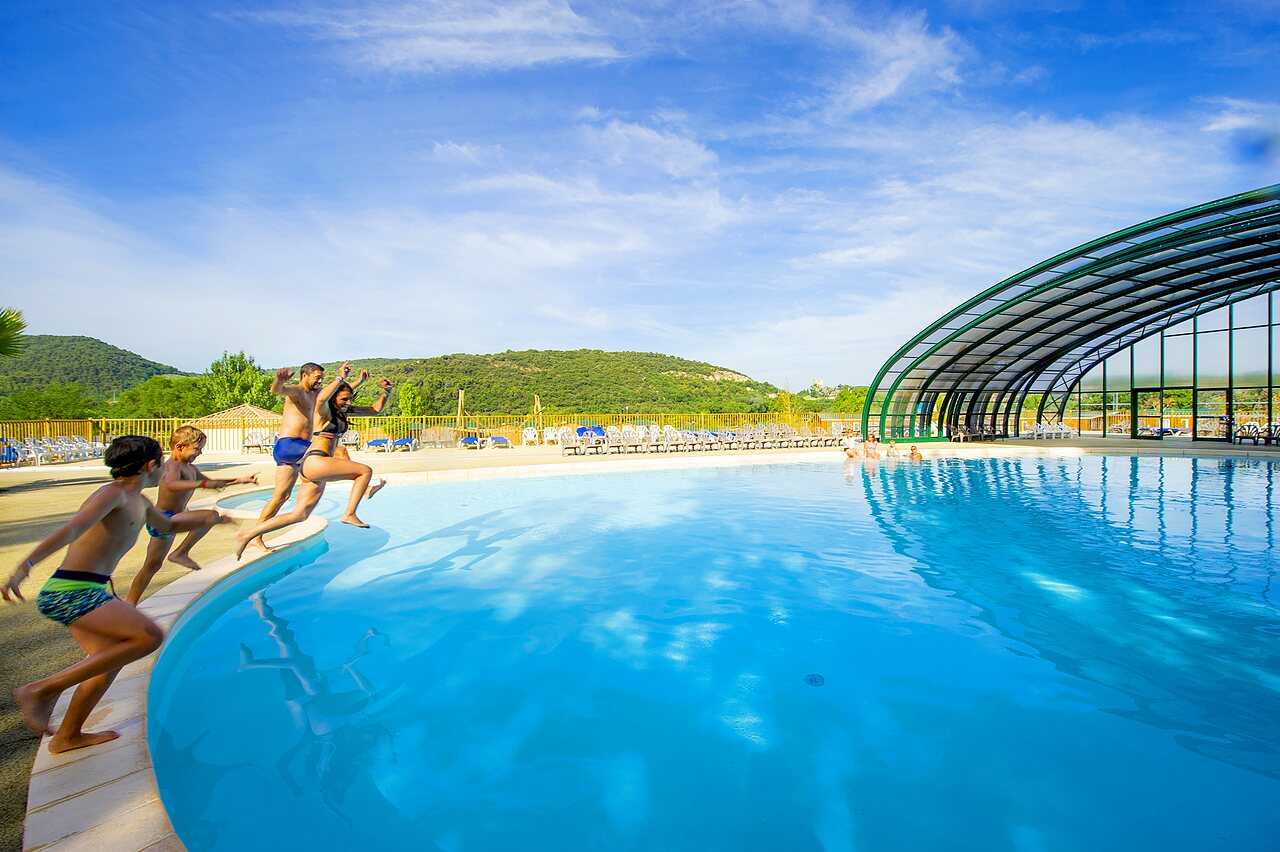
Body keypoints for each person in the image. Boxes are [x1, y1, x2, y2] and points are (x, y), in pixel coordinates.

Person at [3, 436, 230, 752]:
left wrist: (212, 517)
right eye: (161, 464)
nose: (164, 470)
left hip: (89, 588)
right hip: (72, 590)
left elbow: (166, 524)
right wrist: (26, 564)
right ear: (151, 466)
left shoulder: (141, 501)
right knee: (148, 635)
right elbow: (72, 529)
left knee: (106, 661)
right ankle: (40, 690)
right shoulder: (113, 495)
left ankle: (68, 735)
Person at [234, 373, 390, 558]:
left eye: (349, 399)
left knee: (300, 514)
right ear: (333, 398)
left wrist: (387, 392)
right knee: (364, 471)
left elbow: (374, 409)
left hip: (315, 466)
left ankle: (248, 535)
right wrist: (340, 377)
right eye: (344, 399)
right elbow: (323, 396)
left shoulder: (342, 410)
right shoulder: (322, 409)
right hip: (315, 459)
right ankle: (349, 513)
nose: (348, 402)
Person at [123, 426, 257, 605]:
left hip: (176, 518)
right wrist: (202, 485)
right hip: (163, 519)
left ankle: (180, 553)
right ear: (179, 447)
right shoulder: (171, 466)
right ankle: (131, 601)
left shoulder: (190, 468)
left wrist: (240, 480)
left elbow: (210, 482)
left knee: (154, 565)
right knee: (151, 565)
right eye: (197, 448)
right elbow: (172, 484)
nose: (200, 452)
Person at [247, 362, 357, 554]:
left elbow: (340, 394)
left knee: (281, 497)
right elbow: (277, 391)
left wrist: (357, 381)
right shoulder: (298, 391)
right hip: (290, 444)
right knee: (337, 453)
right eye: (317, 377)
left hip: (295, 451)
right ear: (305, 375)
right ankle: (362, 480)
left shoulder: (318, 394)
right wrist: (278, 381)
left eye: (322, 377)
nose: (320, 381)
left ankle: (255, 536)